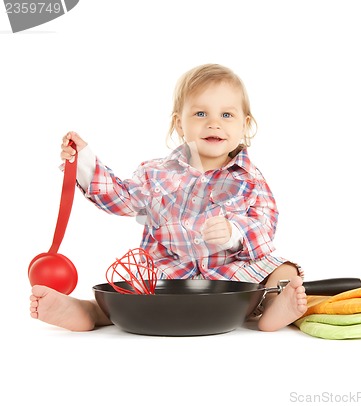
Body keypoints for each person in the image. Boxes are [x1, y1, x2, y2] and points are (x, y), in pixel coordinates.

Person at [29, 63, 307, 333]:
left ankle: (273, 306)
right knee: (128, 293)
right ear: (179, 123)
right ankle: (88, 311)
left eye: (226, 115)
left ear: (244, 124)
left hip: (232, 280)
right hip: (169, 275)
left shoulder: (249, 178)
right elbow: (122, 199)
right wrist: (84, 165)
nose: (213, 123)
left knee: (283, 269)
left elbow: (266, 225)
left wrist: (235, 232)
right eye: (200, 114)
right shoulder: (157, 174)